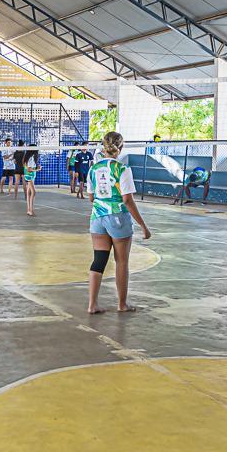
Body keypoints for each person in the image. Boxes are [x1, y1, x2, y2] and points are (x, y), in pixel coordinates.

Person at [87, 132, 151, 315]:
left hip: (97, 218)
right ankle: (122, 304)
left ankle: (92, 304)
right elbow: (128, 200)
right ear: (121, 147)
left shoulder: (94, 169)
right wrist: (144, 227)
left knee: (99, 260)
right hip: (118, 219)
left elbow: (91, 197)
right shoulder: (122, 169)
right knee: (121, 261)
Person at [22, 147, 42, 216]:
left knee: (29, 193)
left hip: (29, 176)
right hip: (29, 176)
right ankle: (31, 210)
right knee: (33, 192)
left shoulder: (28, 158)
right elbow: (29, 169)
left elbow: (29, 167)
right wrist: (37, 170)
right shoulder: (31, 158)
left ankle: (29, 210)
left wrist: (36, 168)